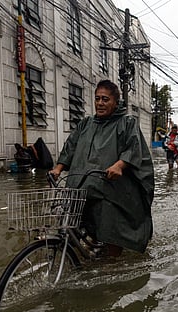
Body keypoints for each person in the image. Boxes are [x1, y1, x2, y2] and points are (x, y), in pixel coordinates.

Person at [49, 79, 154, 257]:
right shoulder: (86, 123)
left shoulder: (126, 123)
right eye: (97, 99)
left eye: (105, 99)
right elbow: (71, 146)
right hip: (82, 184)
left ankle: (112, 266)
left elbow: (134, 148)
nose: (100, 103)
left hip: (111, 187)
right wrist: (58, 168)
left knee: (111, 225)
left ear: (115, 102)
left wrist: (120, 165)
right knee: (71, 219)